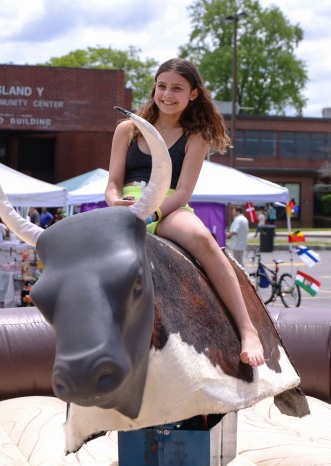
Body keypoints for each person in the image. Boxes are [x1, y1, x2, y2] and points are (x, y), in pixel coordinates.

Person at [105, 58, 264, 367]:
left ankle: (248, 329)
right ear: (154, 88)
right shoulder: (127, 129)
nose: (167, 94)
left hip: (168, 206)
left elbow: (182, 192)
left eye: (177, 88)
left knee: (202, 238)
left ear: (193, 94)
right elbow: (112, 181)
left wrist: (151, 215)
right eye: (162, 86)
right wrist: (114, 202)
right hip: (127, 203)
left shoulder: (196, 136)